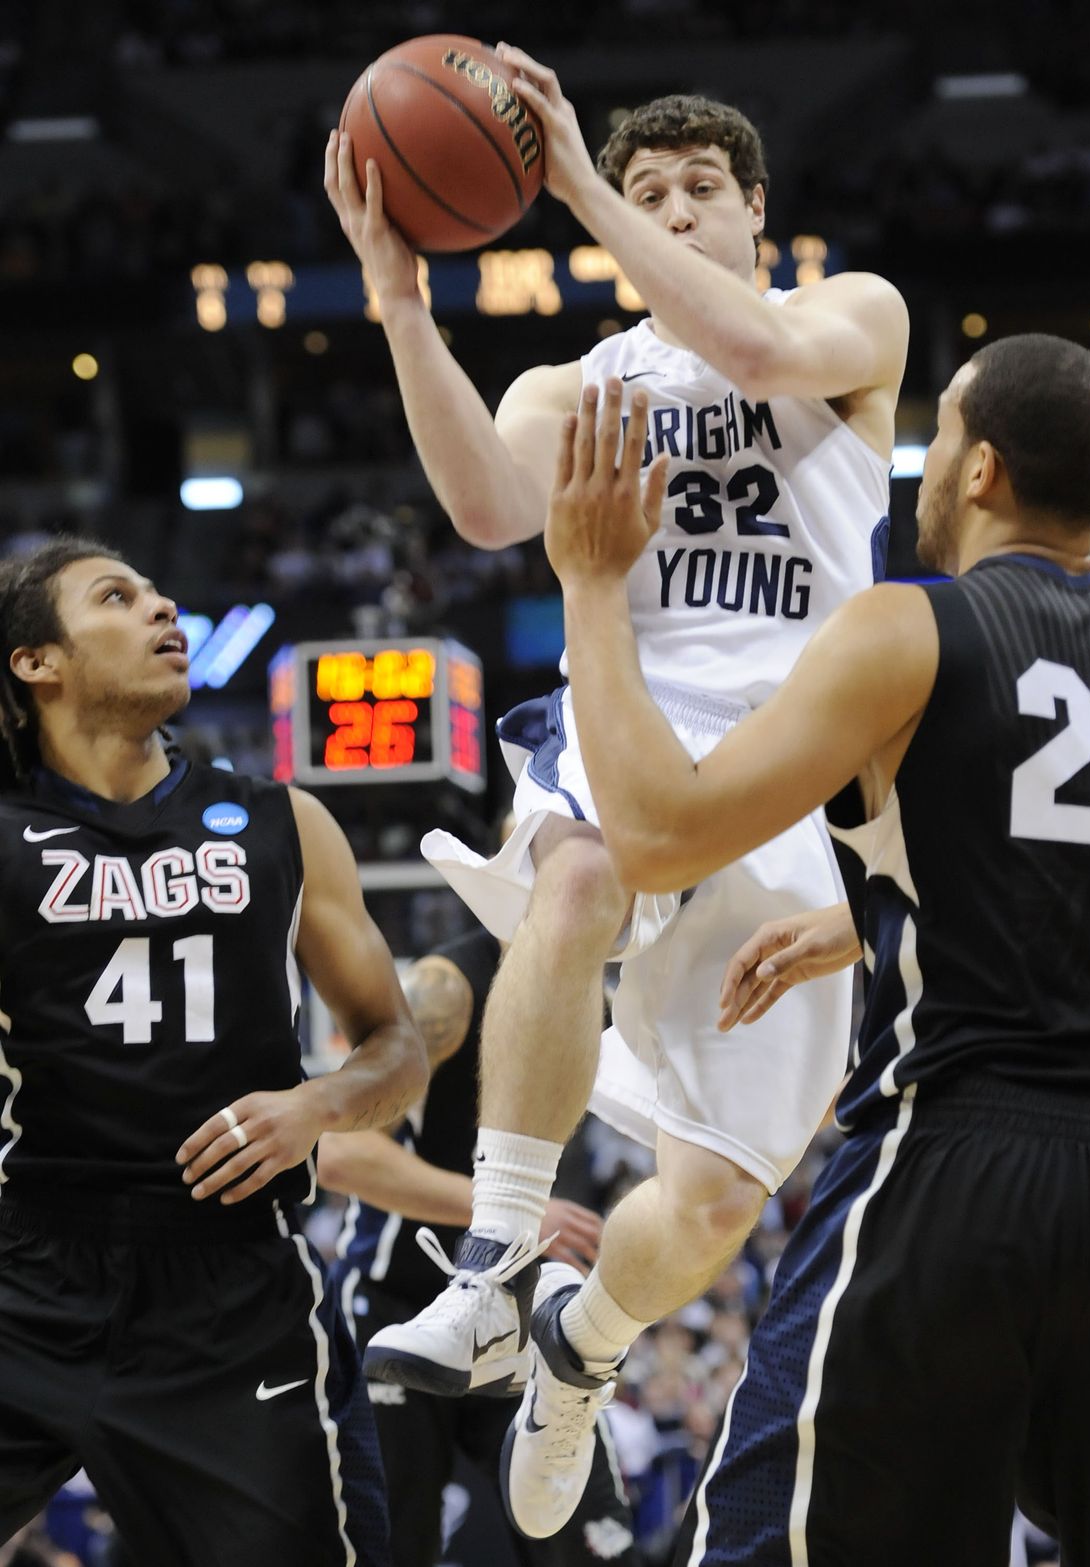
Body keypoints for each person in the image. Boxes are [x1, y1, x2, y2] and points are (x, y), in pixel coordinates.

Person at [325, 51, 908, 1534]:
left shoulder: (849, 320)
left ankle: (577, 1350)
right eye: (648, 191)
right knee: (576, 873)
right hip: (629, 719)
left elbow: (767, 364)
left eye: (699, 191)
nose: (674, 209)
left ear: (757, 213)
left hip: (801, 761)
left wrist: (579, 180)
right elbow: (485, 510)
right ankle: (492, 1272)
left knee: (714, 1201)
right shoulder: (577, 382)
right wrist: (401, 302)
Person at [535, 337, 1090, 1563]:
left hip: (966, 1164)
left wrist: (589, 582)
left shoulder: (906, 626)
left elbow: (658, 834)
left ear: (984, 466)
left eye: (938, 437)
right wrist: (872, 913)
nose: (924, 465)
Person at [0, 537, 429, 1566]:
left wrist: (316, 1107)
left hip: (236, 1288)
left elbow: (395, 1043)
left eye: (158, 589)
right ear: (36, 662)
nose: (163, 607)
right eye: (118, 596)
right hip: (28, 1269)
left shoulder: (285, 822)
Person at [317, 915, 640, 1567]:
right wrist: (512, 1209)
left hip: (524, 1313)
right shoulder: (444, 991)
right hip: (399, 1301)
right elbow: (339, 1152)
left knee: (590, 1545)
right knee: (390, 1546)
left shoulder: (601, 996)